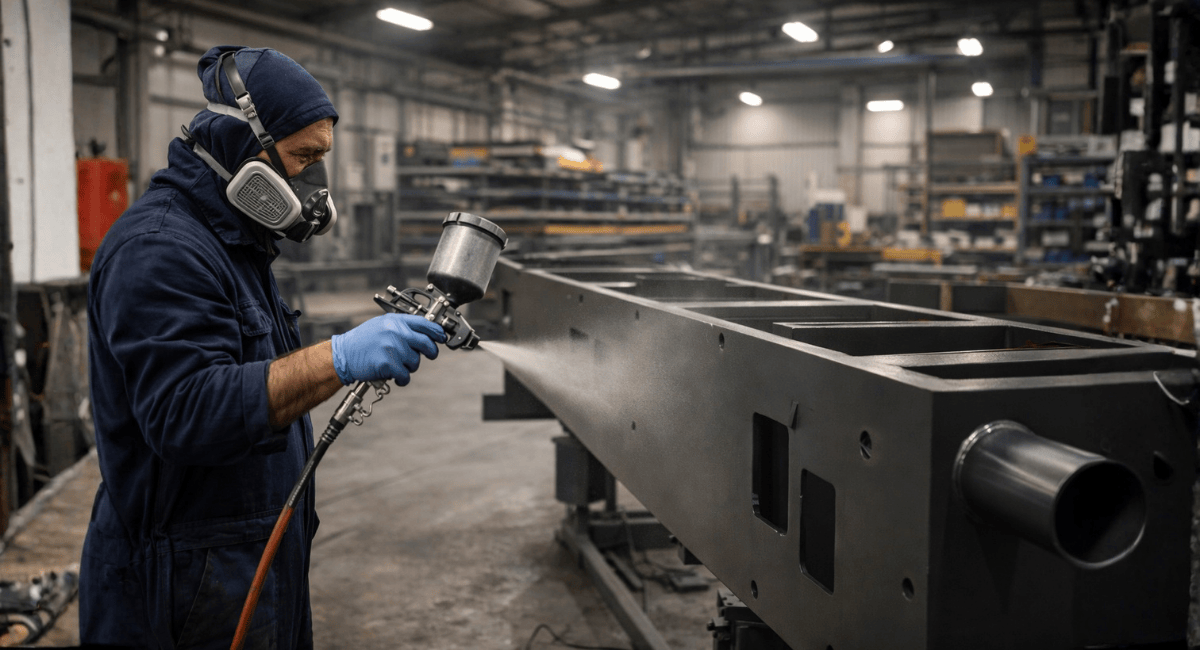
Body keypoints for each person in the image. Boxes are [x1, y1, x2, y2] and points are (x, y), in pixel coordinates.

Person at [80, 45, 444, 649]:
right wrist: (338, 358)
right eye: (304, 157)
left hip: (237, 560)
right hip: (183, 581)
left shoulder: (235, 244)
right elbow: (185, 412)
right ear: (240, 148)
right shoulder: (162, 249)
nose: (314, 184)